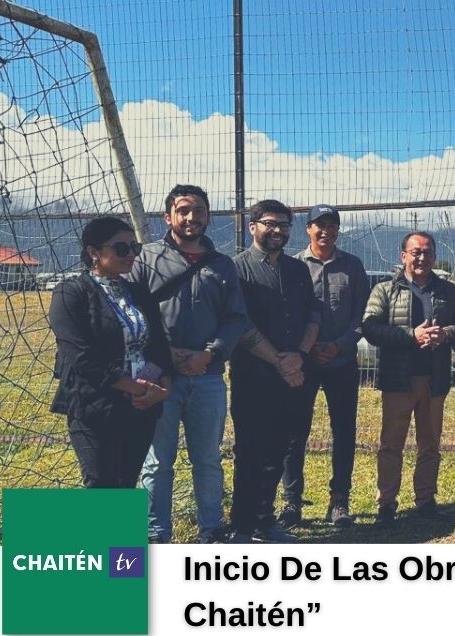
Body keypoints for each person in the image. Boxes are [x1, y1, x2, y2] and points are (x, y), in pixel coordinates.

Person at [127, 185, 248, 544]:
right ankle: (155, 534)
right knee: (157, 462)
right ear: (168, 217)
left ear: (209, 217)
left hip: (208, 377)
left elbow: (236, 319)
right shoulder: (145, 259)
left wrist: (209, 354)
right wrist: (164, 354)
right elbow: (130, 313)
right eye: (183, 210)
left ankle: (211, 528)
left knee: (208, 459)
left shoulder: (223, 265)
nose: (191, 217)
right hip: (158, 377)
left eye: (199, 211)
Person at [49, 217, 172, 488]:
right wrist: (130, 386)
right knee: (101, 484)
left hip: (141, 405)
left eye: (134, 248)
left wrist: (158, 388)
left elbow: (159, 347)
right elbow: (78, 356)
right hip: (95, 404)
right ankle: (36, 528)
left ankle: (114, 532)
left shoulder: (138, 293)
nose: (130, 255)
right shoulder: (70, 293)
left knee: (125, 483)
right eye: (121, 248)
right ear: (94, 252)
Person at [363, 231, 455, 526]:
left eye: (427, 252)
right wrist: (413, 336)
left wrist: (446, 334)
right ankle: (386, 503)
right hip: (398, 380)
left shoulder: (448, 291)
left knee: (430, 443)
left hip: (434, 379)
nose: (421, 257)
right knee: (391, 444)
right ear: (403, 256)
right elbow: (370, 328)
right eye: (415, 252)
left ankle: (425, 499)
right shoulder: (385, 290)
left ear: (435, 256)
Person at [230, 199, 321, 543]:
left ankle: (265, 521)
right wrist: (279, 361)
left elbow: (313, 314)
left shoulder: (298, 270)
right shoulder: (237, 269)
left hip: (295, 374)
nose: (278, 231)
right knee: (251, 451)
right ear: (252, 226)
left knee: (281, 448)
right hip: (254, 377)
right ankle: (241, 525)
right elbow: (239, 323)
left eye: (284, 226)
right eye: (270, 223)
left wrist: (298, 356)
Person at [281, 204, 368, 528]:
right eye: (319, 225)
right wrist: (306, 349)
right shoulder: (293, 266)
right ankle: (292, 502)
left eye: (332, 225)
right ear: (307, 229)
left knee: (344, 432)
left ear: (338, 230)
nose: (325, 231)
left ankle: (339, 502)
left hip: (342, 362)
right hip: (303, 363)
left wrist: (339, 345)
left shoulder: (353, 266)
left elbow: (363, 316)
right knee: (294, 432)